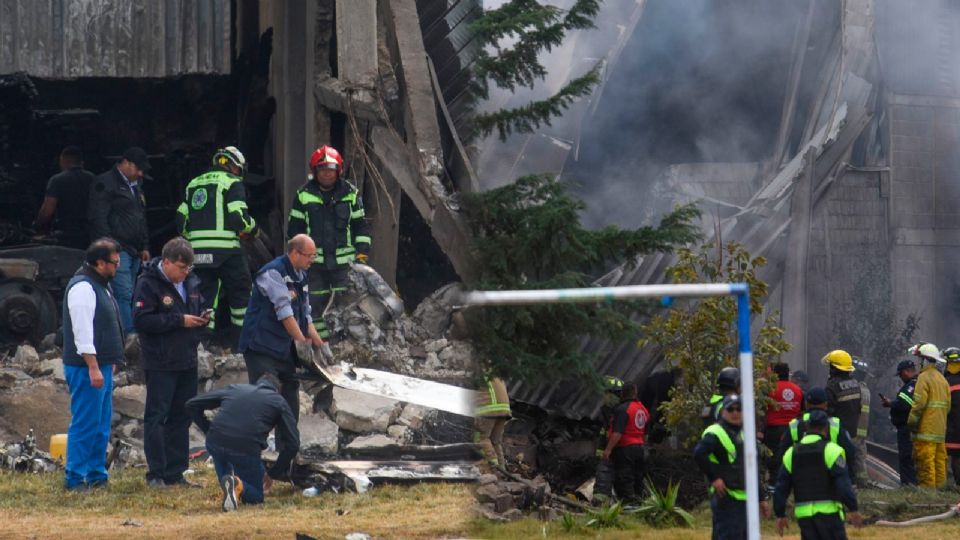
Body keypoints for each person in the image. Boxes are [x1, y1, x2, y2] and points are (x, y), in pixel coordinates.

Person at [132, 237, 208, 488]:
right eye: (181, 267)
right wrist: (179, 320)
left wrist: (202, 318)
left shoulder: (191, 281)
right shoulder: (148, 283)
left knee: (182, 416)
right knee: (157, 416)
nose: (185, 273)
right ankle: (156, 473)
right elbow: (142, 321)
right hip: (161, 361)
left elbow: (199, 305)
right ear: (166, 262)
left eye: (188, 268)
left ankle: (176, 471)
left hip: (187, 359)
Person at [238, 234, 323, 432]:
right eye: (309, 255)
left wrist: (320, 344)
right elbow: (285, 314)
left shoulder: (301, 275)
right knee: (265, 398)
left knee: (290, 398)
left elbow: (305, 314)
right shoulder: (272, 273)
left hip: (282, 348)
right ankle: (258, 445)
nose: (312, 260)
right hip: (261, 345)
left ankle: (288, 448)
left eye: (314, 255)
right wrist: (303, 345)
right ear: (294, 253)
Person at [286, 145, 371, 340]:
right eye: (322, 169)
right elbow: (294, 232)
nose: (326, 174)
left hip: (344, 266)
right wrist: (298, 260)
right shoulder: (303, 195)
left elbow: (361, 227)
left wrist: (362, 255)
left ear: (338, 170)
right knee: (314, 306)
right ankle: (322, 345)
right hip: (313, 265)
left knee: (348, 305)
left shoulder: (351, 193)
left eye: (330, 169)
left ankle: (346, 345)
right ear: (315, 171)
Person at [61, 238, 125, 490]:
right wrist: (93, 365)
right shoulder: (83, 288)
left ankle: (97, 474)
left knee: (100, 424)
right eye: (114, 263)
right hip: (86, 367)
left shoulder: (100, 283)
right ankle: (75, 478)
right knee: (85, 423)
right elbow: (82, 330)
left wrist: (108, 362)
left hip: (101, 366)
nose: (117, 267)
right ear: (100, 263)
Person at [185, 373, 299, 511]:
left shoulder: (235, 389)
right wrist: (274, 473)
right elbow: (293, 444)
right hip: (245, 449)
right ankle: (237, 485)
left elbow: (191, 404)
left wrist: (209, 429)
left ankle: (229, 487)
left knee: (225, 462)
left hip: (215, 441)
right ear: (277, 390)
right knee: (256, 496)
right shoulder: (278, 401)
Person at [176, 147, 257, 340]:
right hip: (227, 250)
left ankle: (203, 345)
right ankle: (242, 343)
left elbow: (180, 220)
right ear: (235, 166)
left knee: (204, 297)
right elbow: (239, 218)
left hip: (197, 252)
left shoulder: (193, 184)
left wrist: (195, 238)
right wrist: (254, 229)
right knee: (241, 295)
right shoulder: (232, 182)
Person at [88, 147, 152, 334]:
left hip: (134, 250)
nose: (140, 173)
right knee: (123, 293)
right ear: (125, 163)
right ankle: (129, 335)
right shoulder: (105, 183)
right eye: (138, 169)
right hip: (117, 249)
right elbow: (98, 218)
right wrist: (111, 248)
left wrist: (144, 245)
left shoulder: (135, 186)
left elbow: (141, 217)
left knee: (131, 294)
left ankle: (129, 333)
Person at [773, 410, 862, 539]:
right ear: (826, 427)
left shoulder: (791, 453)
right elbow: (843, 485)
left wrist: (780, 514)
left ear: (807, 426)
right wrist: (853, 508)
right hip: (829, 514)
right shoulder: (832, 450)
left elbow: (781, 487)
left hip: (805, 516)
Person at [695, 394, 770, 540]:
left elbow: (753, 468)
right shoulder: (715, 432)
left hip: (747, 500)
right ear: (723, 412)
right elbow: (699, 454)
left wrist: (761, 498)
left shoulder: (746, 433)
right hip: (727, 498)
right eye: (731, 409)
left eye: (739, 409)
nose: (735, 413)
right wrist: (715, 478)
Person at [778, 387, 857, 481]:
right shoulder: (835, 424)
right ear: (826, 404)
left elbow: (782, 454)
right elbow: (850, 452)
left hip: (801, 480)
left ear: (806, 404)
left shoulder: (795, 425)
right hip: (829, 478)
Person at [906, 342, 951, 487]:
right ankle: (940, 493)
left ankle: (928, 495)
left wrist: (911, 423)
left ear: (925, 360)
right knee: (939, 465)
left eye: (920, 360)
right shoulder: (943, 380)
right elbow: (947, 407)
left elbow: (918, 405)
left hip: (925, 432)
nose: (919, 364)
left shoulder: (924, 377)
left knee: (925, 464)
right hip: (939, 433)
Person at [33, 146, 93, 249]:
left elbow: (47, 211)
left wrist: (37, 224)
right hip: (89, 236)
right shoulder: (94, 179)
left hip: (65, 236)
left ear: (63, 161)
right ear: (81, 162)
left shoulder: (57, 180)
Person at [601, 382, 649, 502]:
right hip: (639, 447)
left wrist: (608, 449)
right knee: (638, 477)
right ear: (635, 392)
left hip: (625, 449)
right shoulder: (643, 409)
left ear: (622, 393)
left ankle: (628, 505)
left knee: (624, 477)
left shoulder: (623, 409)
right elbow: (646, 434)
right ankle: (639, 502)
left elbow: (617, 433)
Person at [765, 362, 804, 485]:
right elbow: (802, 410)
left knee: (775, 459)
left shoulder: (770, 390)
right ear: (788, 374)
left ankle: (774, 484)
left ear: (775, 374)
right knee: (793, 457)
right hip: (794, 429)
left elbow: (763, 409)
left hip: (773, 429)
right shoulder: (798, 390)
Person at [880, 359, 918, 485]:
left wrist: (890, 403)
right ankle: (909, 483)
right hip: (907, 428)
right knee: (907, 457)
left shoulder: (911, 386)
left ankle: (908, 485)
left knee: (906, 457)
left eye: (901, 374)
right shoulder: (914, 384)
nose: (901, 378)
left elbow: (904, 404)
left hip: (906, 428)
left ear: (907, 372)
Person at [593, 376, 624, 504]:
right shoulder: (606, 411)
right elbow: (603, 433)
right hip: (608, 453)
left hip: (618, 452)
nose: (605, 397)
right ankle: (602, 504)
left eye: (607, 393)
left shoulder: (621, 412)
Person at [821, 350, 861, 445]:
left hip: (836, 436)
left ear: (834, 369)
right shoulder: (855, 384)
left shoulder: (832, 386)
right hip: (852, 434)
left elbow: (827, 413)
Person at [474, 374, 511, 470]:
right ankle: (502, 470)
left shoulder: (478, 367)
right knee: (495, 441)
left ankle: (493, 469)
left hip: (489, 408)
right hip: (504, 409)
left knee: (481, 438)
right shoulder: (495, 369)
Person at [943, 347, 960, 486]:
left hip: (951, 429)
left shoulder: (945, 382)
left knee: (948, 457)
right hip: (953, 428)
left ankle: (945, 486)